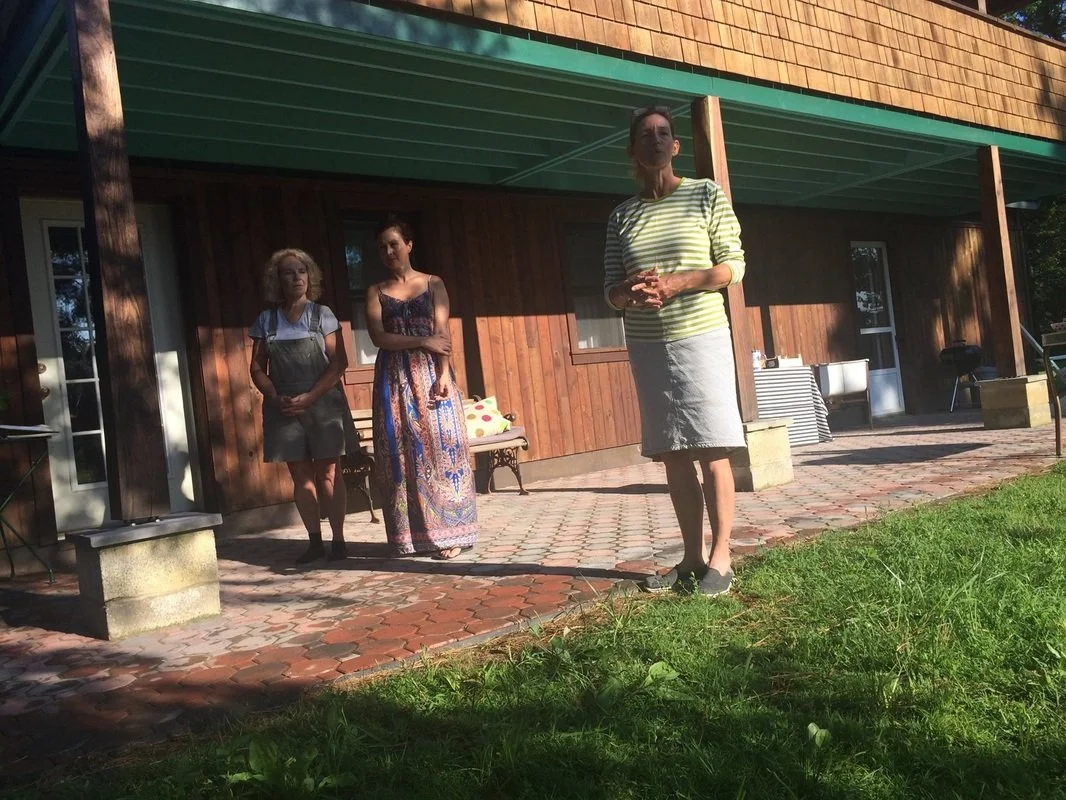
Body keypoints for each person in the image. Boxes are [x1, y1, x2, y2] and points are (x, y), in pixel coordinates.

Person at [604, 105, 747, 596]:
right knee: (673, 454)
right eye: (646, 134)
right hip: (648, 345)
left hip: (702, 337)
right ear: (633, 150)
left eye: (664, 132)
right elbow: (610, 291)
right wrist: (629, 292)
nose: (656, 140)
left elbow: (733, 267)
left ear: (676, 145)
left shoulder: (705, 194)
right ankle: (690, 559)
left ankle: (721, 558)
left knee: (712, 447)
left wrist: (680, 282)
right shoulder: (622, 215)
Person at [366, 215, 478, 560]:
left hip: (431, 374)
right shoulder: (375, 291)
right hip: (393, 379)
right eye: (382, 247)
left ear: (409, 245)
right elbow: (379, 337)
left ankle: (452, 533)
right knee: (401, 454)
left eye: (394, 244)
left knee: (442, 449)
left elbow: (442, 334)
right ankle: (409, 536)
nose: (388, 252)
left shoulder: (433, 284)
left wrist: (443, 374)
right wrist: (421, 340)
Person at [249, 248, 357, 564]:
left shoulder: (322, 315)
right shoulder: (266, 320)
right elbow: (256, 367)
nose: (297, 277)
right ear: (277, 280)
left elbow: (339, 363)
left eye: (301, 271)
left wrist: (310, 396)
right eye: (288, 272)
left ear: (310, 277)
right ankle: (314, 541)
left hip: (323, 403)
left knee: (329, 471)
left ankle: (338, 540)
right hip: (284, 407)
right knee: (300, 473)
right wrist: (273, 395)